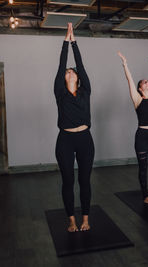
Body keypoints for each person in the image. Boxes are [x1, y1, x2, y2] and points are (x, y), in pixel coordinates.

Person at [55, 23, 95, 232]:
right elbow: (61, 65)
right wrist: (65, 42)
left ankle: (86, 219)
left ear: (78, 78)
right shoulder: (60, 93)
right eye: (67, 73)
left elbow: (80, 63)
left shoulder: (85, 91)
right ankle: (71, 219)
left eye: (73, 72)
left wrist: (75, 43)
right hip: (65, 140)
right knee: (68, 180)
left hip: (85, 139)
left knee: (84, 180)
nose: (69, 73)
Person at [118, 51, 148, 204]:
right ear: (139, 88)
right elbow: (129, 80)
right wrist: (125, 64)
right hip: (142, 136)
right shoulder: (137, 99)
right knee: (143, 167)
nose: (147, 83)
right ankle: (145, 195)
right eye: (144, 82)